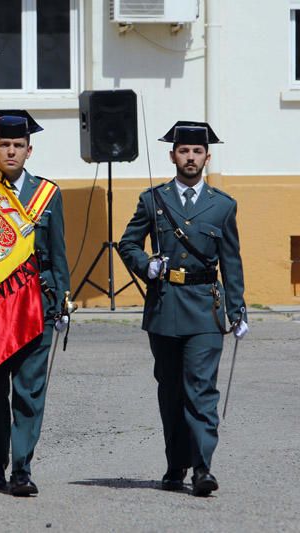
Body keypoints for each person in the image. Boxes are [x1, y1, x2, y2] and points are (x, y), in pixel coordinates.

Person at [119, 121, 247, 497]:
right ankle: (176, 463)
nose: (190, 157)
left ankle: (203, 467)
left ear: (207, 157)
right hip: (165, 305)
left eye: (197, 152)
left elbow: (232, 262)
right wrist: (147, 266)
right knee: (172, 390)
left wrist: (237, 309)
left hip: (206, 308)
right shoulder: (152, 200)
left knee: (202, 389)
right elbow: (128, 244)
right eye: (183, 151)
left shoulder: (222, 206)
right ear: (172, 155)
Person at [0, 110, 70, 496]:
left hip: (35, 304)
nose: (10, 152)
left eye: (17, 146)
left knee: (30, 391)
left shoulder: (47, 194)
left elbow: (57, 253)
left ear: (29, 151)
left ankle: (21, 469)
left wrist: (61, 301)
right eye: (4, 145)